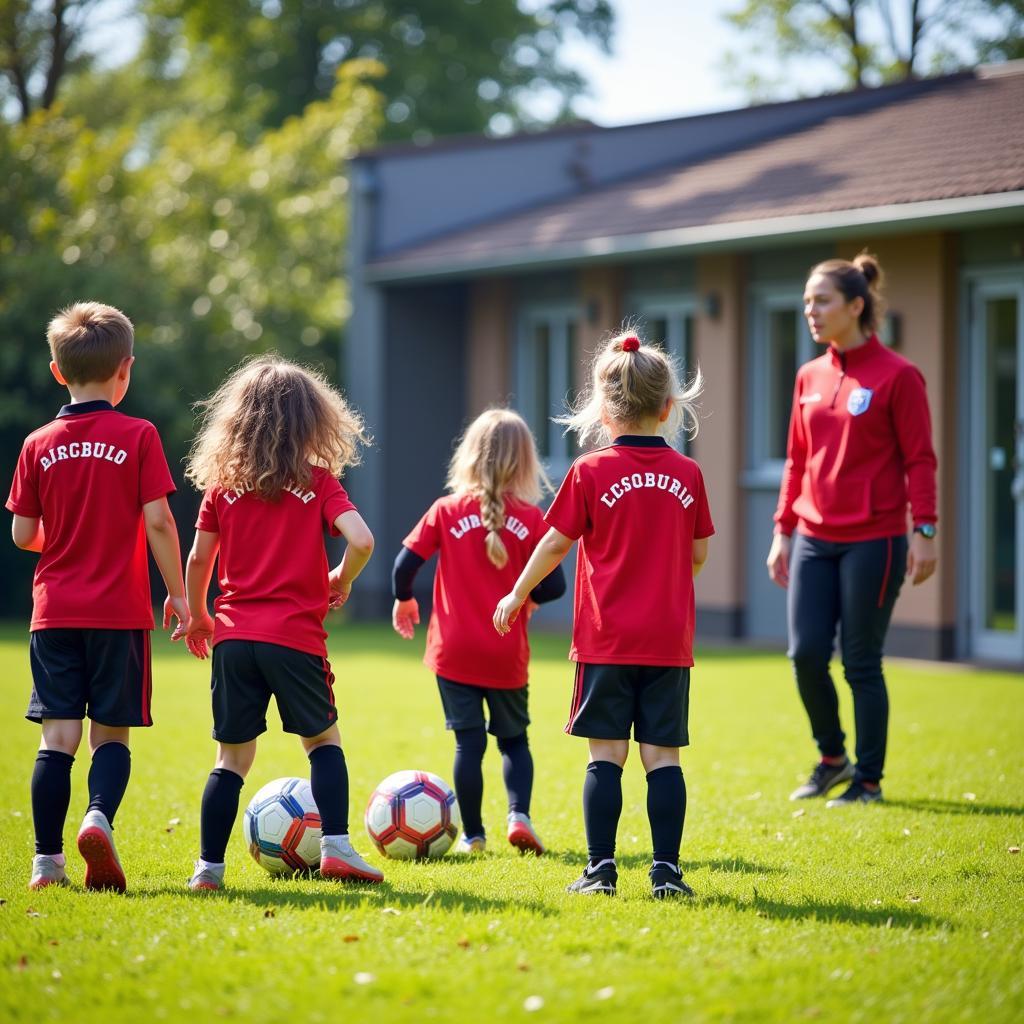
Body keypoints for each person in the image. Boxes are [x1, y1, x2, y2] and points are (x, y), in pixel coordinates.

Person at [493, 331, 713, 899]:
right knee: (662, 756)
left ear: (601, 409)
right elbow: (698, 554)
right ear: (668, 408)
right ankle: (667, 872)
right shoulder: (688, 476)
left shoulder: (590, 473)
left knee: (606, 755)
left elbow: (554, 545)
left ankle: (601, 870)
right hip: (668, 640)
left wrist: (517, 594)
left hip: (606, 640)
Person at [179, 355, 382, 891]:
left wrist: (199, 614)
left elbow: (199, 559)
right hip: (294, 638)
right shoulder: (318, 482)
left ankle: (208, 870)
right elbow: (362, 540)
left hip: (234, 637)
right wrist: (342, 577)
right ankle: (337, 848)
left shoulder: (222, 486)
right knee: (322, 742)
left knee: (231, 758)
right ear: (312, 421)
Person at [6, 302, 188, 892]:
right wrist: (181, 597)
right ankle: (98, 817)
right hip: (118, 615)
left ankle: (45, 863)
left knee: (56, 737)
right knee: (111, 734)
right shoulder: (137, 435)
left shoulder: (37, 443)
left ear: (58, 372)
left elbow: (21, 533)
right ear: (125, 370)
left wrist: (64, 541)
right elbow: (158, 521)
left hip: (53, 613)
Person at [766, 252, 938, 807]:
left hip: (876, 538)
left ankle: (868, 779)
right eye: (806, 302)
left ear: (856, 305)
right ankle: (831, 758)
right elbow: (796, 459)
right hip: (815, 536)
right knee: (806, 654)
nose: (810, 311)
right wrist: (782, 530)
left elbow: (920, 461)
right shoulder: (808, 376)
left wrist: (926, 532)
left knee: (860, 658)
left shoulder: (900, 376)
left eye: (822, 301)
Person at [392, 409, 566, 856]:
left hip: (453, 652)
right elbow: (556, 585)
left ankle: (473, 836)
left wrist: (404, 599)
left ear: (469, 455)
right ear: (525, 463)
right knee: (513, 741)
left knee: (468, 744)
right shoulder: (532, 519)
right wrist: (525, 600)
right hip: (506, 652)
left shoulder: (446, 511)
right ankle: (519, 816)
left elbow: (403, 566)